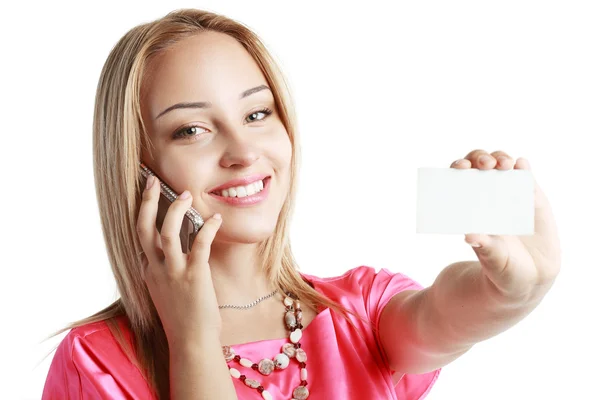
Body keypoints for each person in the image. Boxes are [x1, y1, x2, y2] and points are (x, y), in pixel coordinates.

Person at [41, 8, 561, 400]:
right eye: (192, 129)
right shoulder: (96, 362)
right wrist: (194, 338)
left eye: (257, 114)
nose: (244, 153)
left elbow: (443, 313)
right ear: (138, 168)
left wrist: (513, 291)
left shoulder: (359, 312)